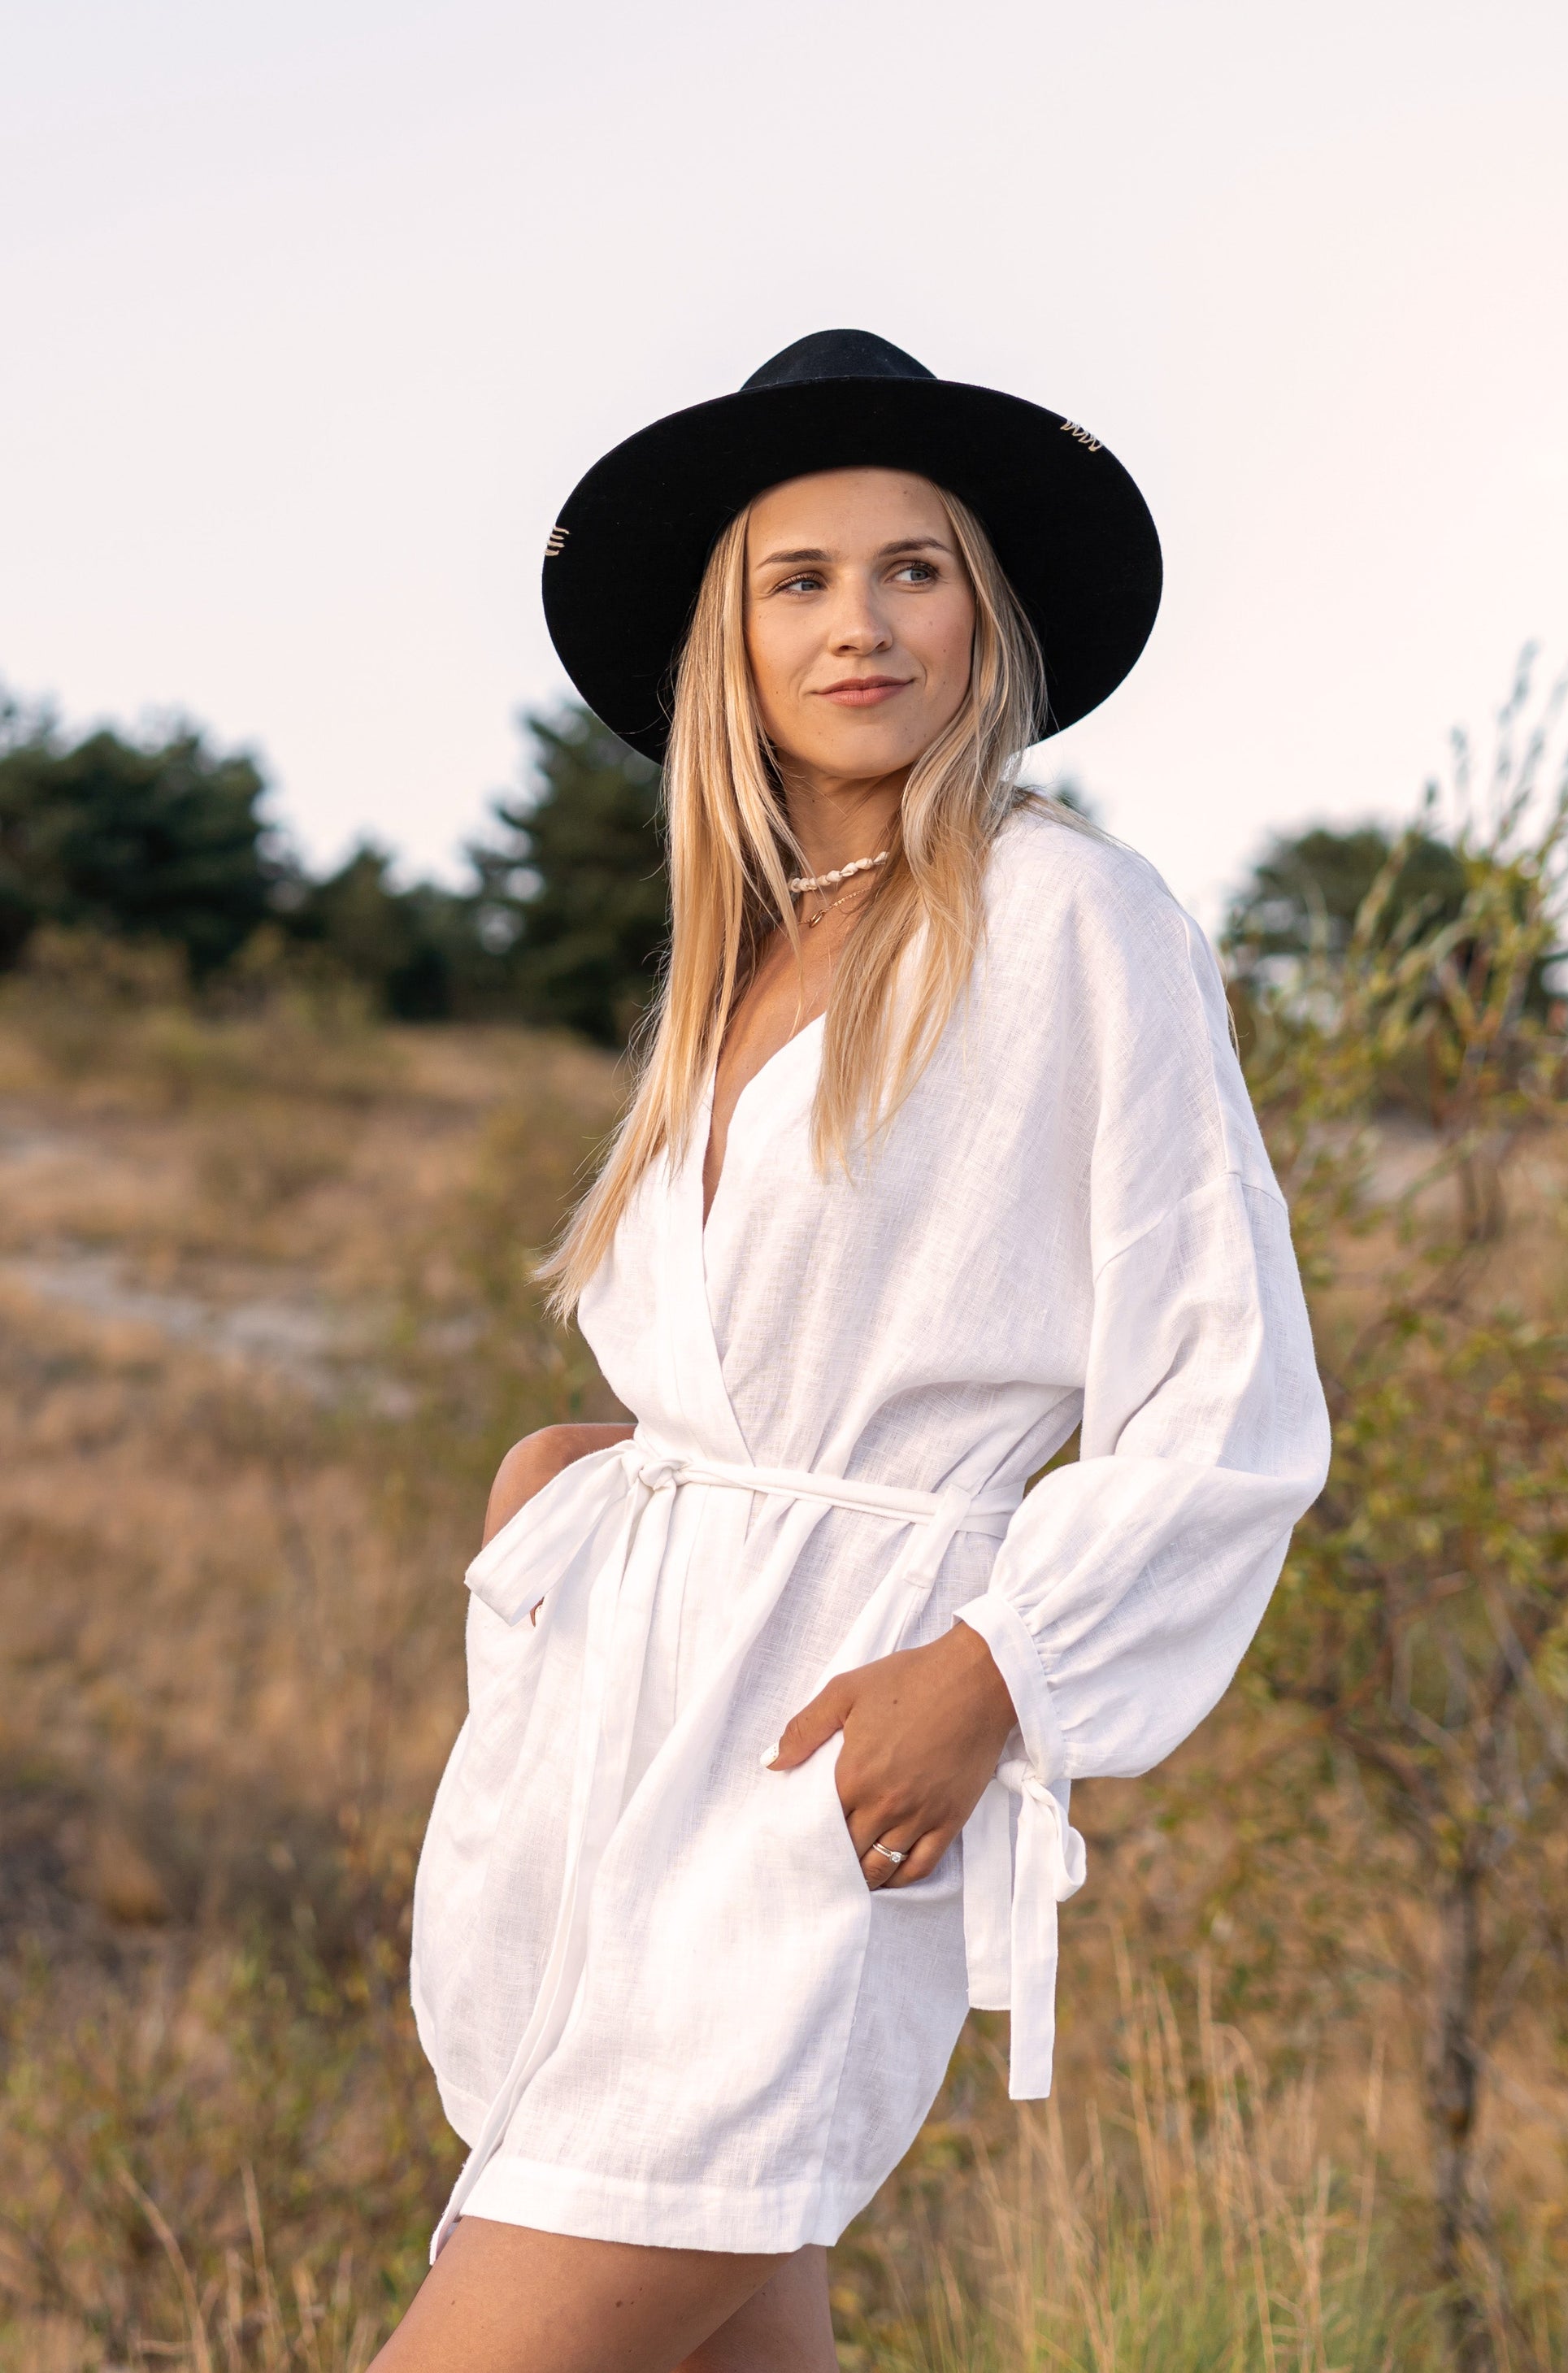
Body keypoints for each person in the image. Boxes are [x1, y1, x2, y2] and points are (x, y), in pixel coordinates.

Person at [378, 330, 1329, 2373]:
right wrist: (576, 1477)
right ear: (730, 637)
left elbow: (1226, 1385)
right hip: (630, 1748)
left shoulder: (1069, 915)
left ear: (985, 614)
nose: (860, 621)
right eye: (795, 580)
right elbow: (754, 1350)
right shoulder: (746, 954)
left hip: (826, 1747)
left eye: (914, 567)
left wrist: (999, 1670)